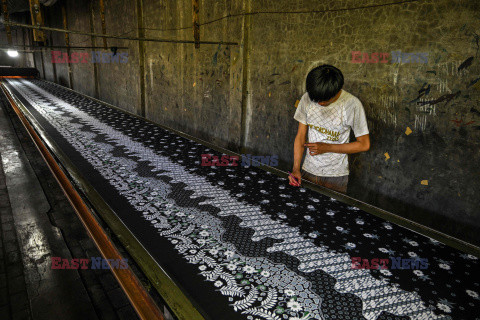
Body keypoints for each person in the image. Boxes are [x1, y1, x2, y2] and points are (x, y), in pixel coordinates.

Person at [289, 64, 370, 193]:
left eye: (324, 101)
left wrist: (327, 147)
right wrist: (296, 169)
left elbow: (364, 144)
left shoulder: (352, 105)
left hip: (335, 176)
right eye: (316, 100)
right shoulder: (306, 99)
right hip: (308, 170)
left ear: (337, 91)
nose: (319, 103)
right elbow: (300, 136)